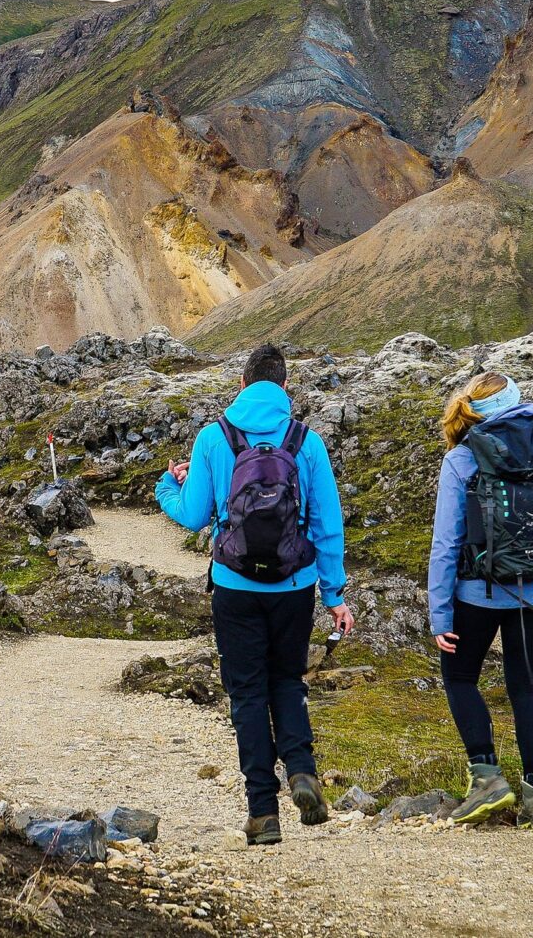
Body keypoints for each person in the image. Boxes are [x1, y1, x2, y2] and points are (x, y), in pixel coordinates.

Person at [157, 344, 352, 846]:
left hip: (234, 587)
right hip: (294, 586)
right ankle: (303, 770)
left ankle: (263, 812)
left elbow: (195, 514)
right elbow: (327, 526)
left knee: (247, 693)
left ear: (243, 385)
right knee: (287, 679)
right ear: (284, 388)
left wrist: (167, 486)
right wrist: (334, 595)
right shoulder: (306, 442)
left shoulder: (213, 438)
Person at [427, 372, 533, 830]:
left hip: (478, 592)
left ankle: (488, 779)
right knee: (527, 688)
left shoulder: (460, 458)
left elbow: (446, 544)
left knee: (459, 679)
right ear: (518, 403)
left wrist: (440, 612)